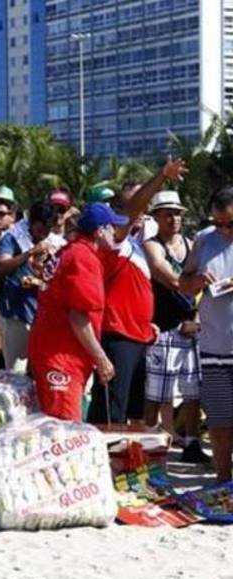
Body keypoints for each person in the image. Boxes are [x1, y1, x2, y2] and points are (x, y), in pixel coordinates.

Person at [86, 157, 188, 425]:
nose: (143, 209)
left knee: (133, 412)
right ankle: (107, 464)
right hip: (117, 336)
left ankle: (128, 466)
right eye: (137, 204)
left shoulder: (135, 245)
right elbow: (135, 207)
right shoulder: (114, 242)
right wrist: (162, 176)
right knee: (112, 412)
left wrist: (146, 326)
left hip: (137, 337)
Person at [29, 203, 121, 421]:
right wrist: (101, 358)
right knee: (64, 430)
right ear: (100, 231)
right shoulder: (82, 257)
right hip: (62, 355)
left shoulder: (71, 251)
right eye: (112, 227)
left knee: (58, 425)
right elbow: (78, 315)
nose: (116, 233)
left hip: (57, 351)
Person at [142, 191, 210, 463]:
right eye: (167, 213)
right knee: (156, 392)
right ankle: (146, 442)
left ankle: (192, 443)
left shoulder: (191, 244)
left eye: (178, 212)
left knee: (193, 391)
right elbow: (169, 277)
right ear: (156, 217)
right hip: (163, 327)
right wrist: (198, 282)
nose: (174, 218)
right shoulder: (152, 245)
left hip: (191, 325)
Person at [180, 186, 233, 481]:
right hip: (214, 346)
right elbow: (183, 282)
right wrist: (197, 280)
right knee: (220, 420)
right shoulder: (203, 240)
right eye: (218, 223)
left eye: (230, 224)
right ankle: (224, 480)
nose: (224, 230)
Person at [0, 201, 55, 372]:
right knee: (17, 373)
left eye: (47, 230)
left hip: (42, 318)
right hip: (16, 316)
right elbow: (0, 268)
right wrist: (29, 253)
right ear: (30, 224)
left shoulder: (53, 242)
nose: (43, 235)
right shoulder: (12, 238)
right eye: (39, 230)